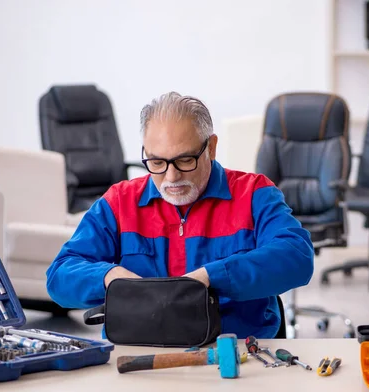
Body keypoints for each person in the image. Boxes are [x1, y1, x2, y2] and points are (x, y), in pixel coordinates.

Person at [46, 92, 314, 339]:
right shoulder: (119, 202)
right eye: (157, 162)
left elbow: (296, 257)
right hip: (140, 357)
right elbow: (59, 277)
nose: (171, 177)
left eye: (185, 160)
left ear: (211, 147)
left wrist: (211, 278)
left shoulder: (254, 193)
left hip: (237, 357)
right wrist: (109, 277)